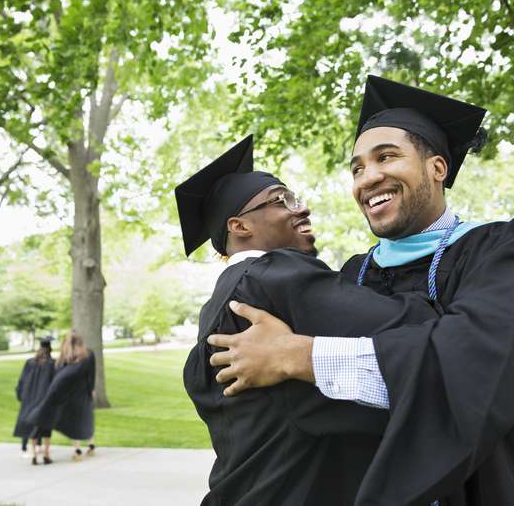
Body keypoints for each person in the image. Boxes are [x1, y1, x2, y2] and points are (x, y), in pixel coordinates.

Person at [207, 77, 514, 505]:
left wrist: (298, 355)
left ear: (437, 168)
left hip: (491, 487)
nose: (368, 177)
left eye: (386, 157)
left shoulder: (503, 249)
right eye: (357, 168)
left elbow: (491, 368)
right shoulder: (355, 273)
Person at [176, 134, 441, 505]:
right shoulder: (272, 275)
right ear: (240, 227)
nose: (301, 209)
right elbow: (405, 326)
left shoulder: (218, 308)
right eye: (282, 200)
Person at [27, 332, 96, 461]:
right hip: (82, 392)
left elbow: (59, 376)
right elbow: (91, 374)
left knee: (74, 420)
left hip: (70, 393)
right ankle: (91, 444)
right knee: (86, 417)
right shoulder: (88, 354)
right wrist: (91, 389)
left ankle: (77, 449)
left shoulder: (64, 357)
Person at [13, 337, 55, 465]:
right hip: (45, 400)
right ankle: (46, 455)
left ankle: (34, 455)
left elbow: (21, 381)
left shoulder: (29, 362)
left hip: (30, 400)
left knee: (33, 428)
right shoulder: (52, 363)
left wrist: (21, 396)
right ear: (50, 349)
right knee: (46, 428)